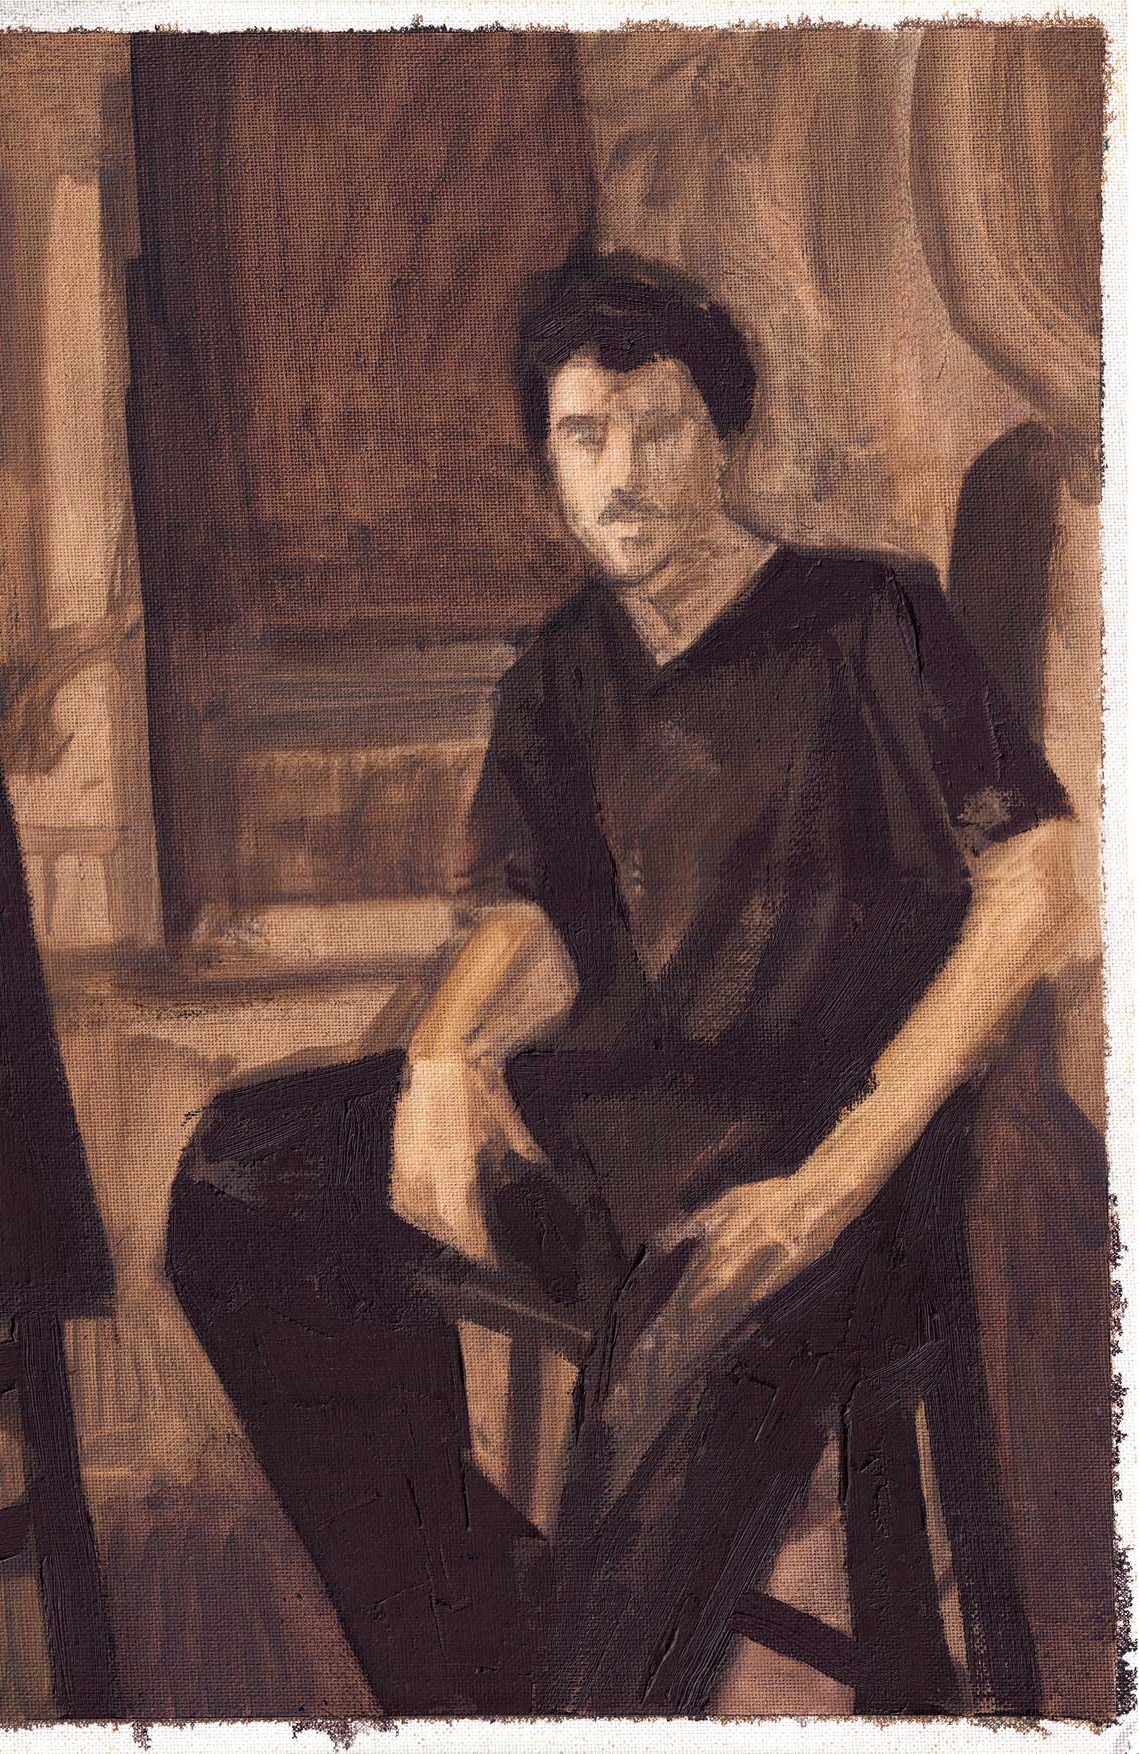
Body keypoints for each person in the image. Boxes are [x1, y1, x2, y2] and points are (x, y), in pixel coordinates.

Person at [167, 249, 1079, 1718]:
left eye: (659, 429)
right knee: (240, 1171)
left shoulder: (869, 616)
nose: (624, 473)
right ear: (548, 461)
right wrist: (442, 1058)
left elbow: (1037, 883)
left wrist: (827, 1186)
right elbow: (530, 923)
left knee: (624, 1603)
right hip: (615, 1138)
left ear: (724, 440)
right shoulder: (560, 671)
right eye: (585, 437)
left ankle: (549, 1688)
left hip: (818, 1175)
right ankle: (473, 1653)